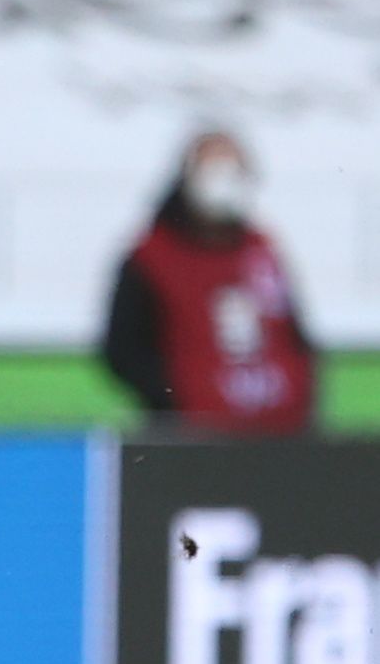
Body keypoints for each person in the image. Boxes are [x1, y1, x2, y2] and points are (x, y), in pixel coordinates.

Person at [103, 128, 316, 435]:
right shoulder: (151, 257)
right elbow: (123, 349)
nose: (225, 183)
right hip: (195, 440)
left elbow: (294, 335)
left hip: (280, 434)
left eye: (235, 171)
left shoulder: (260, 249)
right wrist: (174, 399)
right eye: (215, 170)